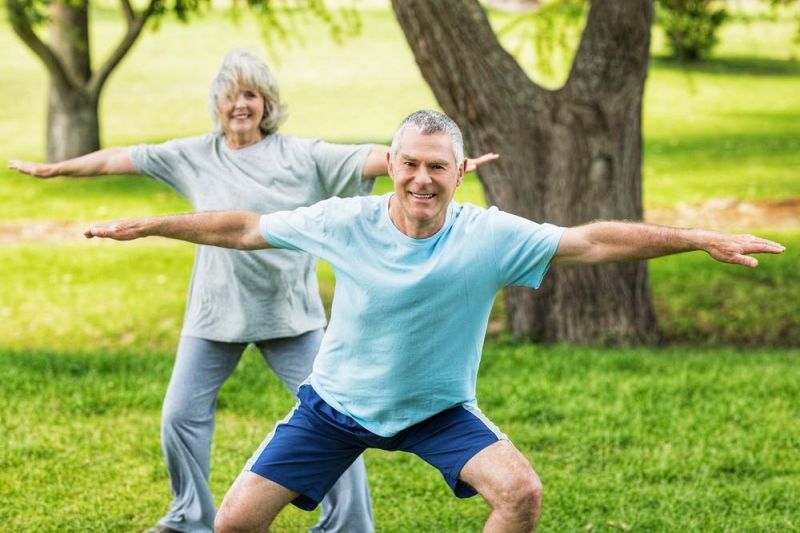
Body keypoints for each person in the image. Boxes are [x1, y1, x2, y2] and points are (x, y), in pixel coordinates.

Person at [83, 109, 785, 532]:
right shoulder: (345, 221)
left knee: (521, 492)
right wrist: (150, 223)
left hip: (437, 409)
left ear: (459, 172)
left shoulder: (488, 234)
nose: (422, 178)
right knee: (234, 520)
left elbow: (593, 239)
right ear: (390, 164)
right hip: (335, 406)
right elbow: (242, 226)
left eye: (438, 167)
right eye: (409, 163)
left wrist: (696, 236)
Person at [8, 51, 496, 533]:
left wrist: (437, 165)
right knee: (180, 415)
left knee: (342, 420)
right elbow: (122, 157)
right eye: (230, 95)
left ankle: (349, 525)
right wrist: (57, 170)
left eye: (251, 94)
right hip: (214, 314)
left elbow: (375, 157)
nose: (240, 105)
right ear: (216, 103)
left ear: (267, 103)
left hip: (289, 315)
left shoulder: (300, 155)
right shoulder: (194, 154)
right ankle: (189, 516)